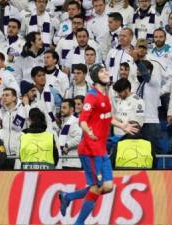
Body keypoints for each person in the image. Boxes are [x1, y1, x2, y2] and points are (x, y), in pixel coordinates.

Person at [58, 64, 138, 225]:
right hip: (90, 149)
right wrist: (88, 131)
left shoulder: (105, 95)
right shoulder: (91, 96)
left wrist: (122, 126)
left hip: (100, 149)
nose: (106, 72)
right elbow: (83, 120)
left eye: (106, 70)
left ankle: (68, 197)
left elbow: (107, 117)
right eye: (102, 71)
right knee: (97, 186)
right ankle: (78, 223)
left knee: (107, 186)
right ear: (95, 76)